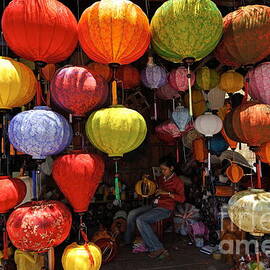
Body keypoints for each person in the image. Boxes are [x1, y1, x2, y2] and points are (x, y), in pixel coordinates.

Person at [124, 155, 185, 259]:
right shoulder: (161, 178)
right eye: (161, 169)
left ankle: (157, 248)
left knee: (141, 220)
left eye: (164, 169)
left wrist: (167, 193)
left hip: (166, 208)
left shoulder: (177, 181)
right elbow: (153, 187)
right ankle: (127, 241)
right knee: (132, 214)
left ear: (171, 168)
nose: (162, 171)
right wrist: (146, 181)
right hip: (155, 205)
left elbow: (182, 199)